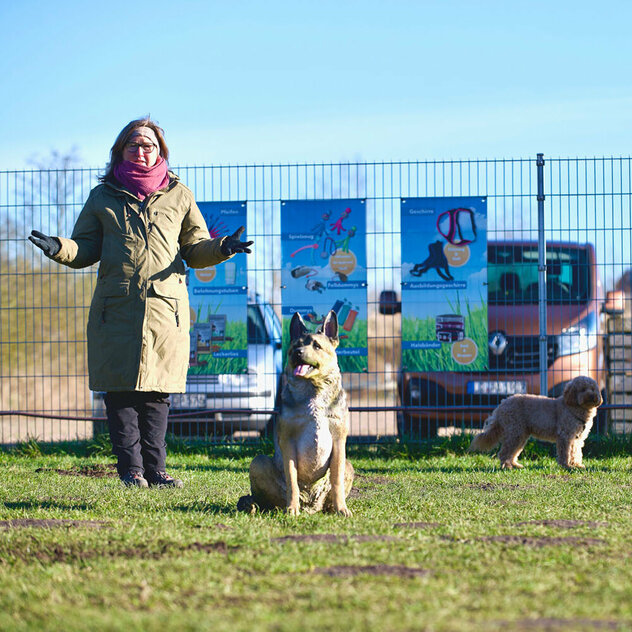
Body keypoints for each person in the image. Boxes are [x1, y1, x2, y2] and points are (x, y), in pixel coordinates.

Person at [28, 117, 252, 488]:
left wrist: (223, 247)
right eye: (134, 144)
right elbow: (85, 248)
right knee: (120, 392)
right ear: (121, 150)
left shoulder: (180, 195)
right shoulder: (103, 196)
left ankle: (157, 470)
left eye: (149, 144)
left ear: (160, 151)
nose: (142, 150)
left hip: (165, 309)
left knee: (156, 394)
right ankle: (131, 471)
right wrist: (60, 248)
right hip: (116, 307)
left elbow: (195, 250)